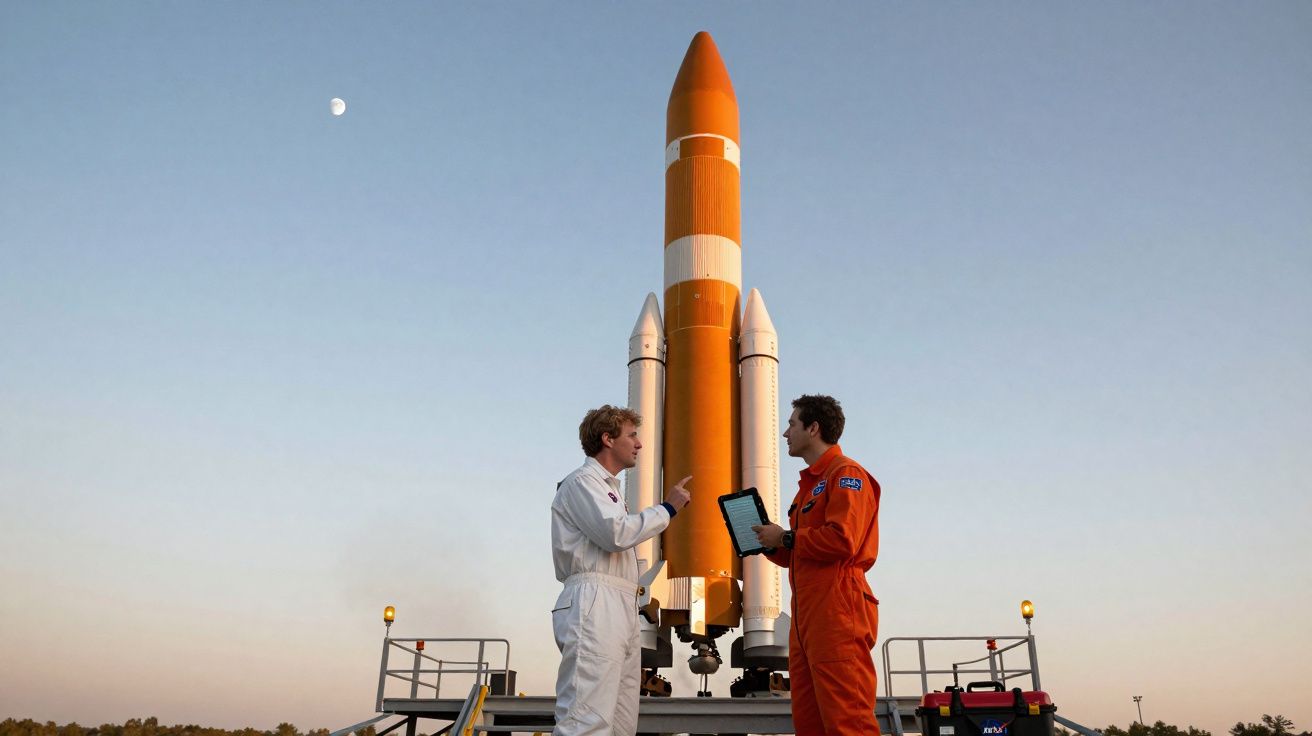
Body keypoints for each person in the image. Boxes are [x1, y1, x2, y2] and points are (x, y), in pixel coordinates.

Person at [550, 405, 692, 736]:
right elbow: (615, 534)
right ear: (607, 439)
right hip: (594, 602)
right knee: (586, 718)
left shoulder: (608, 489)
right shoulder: (581, 483)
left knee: (620, 723)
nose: (639, 444)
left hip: (619, 603)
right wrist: (667, 508)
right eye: (632, 435)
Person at [753, 394, 881, 736]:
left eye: (792, 424)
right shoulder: (807, 488)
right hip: (807, 617)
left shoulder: (846, 474)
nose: (785, 433)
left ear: (813, 428)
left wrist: (786, 538)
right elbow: (799, 552)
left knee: (847, 721)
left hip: (838, 609)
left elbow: (842, 540)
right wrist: (767, 544)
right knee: (810, 723)